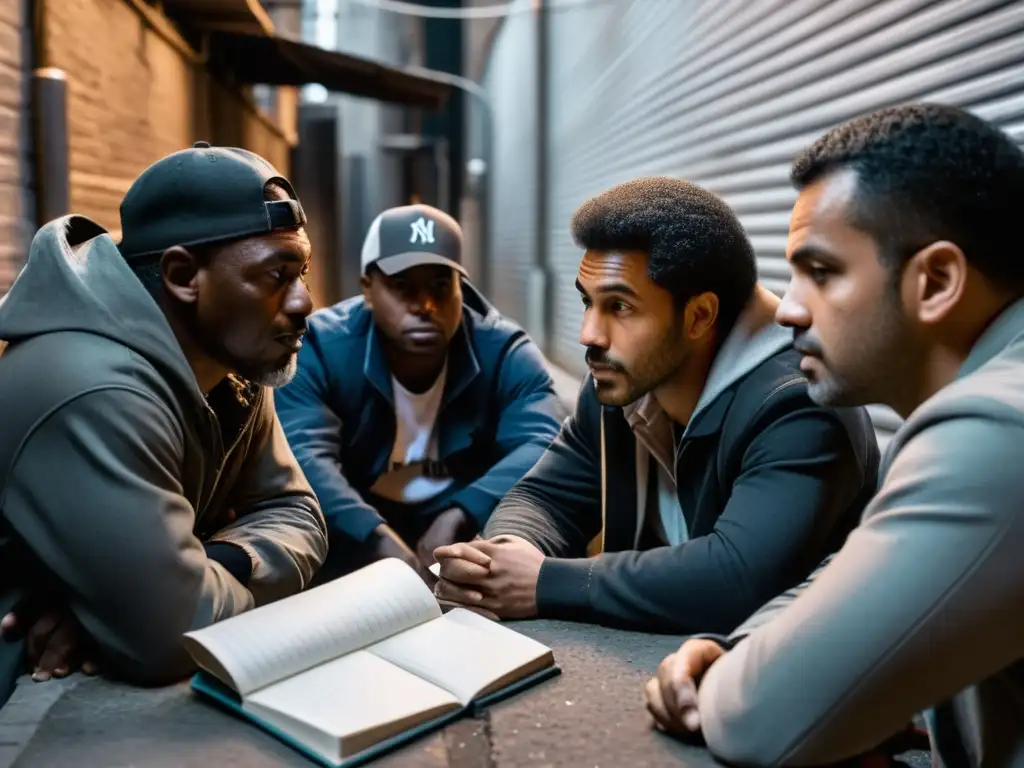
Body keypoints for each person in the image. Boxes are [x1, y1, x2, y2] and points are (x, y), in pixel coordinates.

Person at [645, 103, 1024, 767]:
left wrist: (742, 675)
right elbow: (857, 568)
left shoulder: (995, 432)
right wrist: (746, 647)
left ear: (935, 281)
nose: (788, 309)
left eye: (820, 273)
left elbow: (765, 718)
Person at [432, 177, 879, 632]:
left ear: (699, 316)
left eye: (620, 307)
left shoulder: (800, 404)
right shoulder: (623, 382)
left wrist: (545, 581)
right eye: (589, 303)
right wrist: (498, 562)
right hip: (658, 661)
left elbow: (736, 577)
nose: (590, 333)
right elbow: (545, 496)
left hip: (785, 681)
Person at [0, 143, 328, 708]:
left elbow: (298, 515)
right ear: (182, 275)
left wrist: (202, 567)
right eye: (276, 275)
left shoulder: (230, 359)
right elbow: (174, 637)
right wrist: (152, 611)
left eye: (301, 271)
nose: (304, 302)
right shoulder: (96, 388)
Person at [274, 204, 563, 586]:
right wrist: (376, 538)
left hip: (464, 541)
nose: (425, 305)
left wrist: (461, 513)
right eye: (402, 287)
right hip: (349, 544)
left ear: (461, 288)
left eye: (441, 286)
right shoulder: (322, 347)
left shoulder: (503, 350)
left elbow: (546, 443)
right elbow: (304, 456)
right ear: (368, 290)